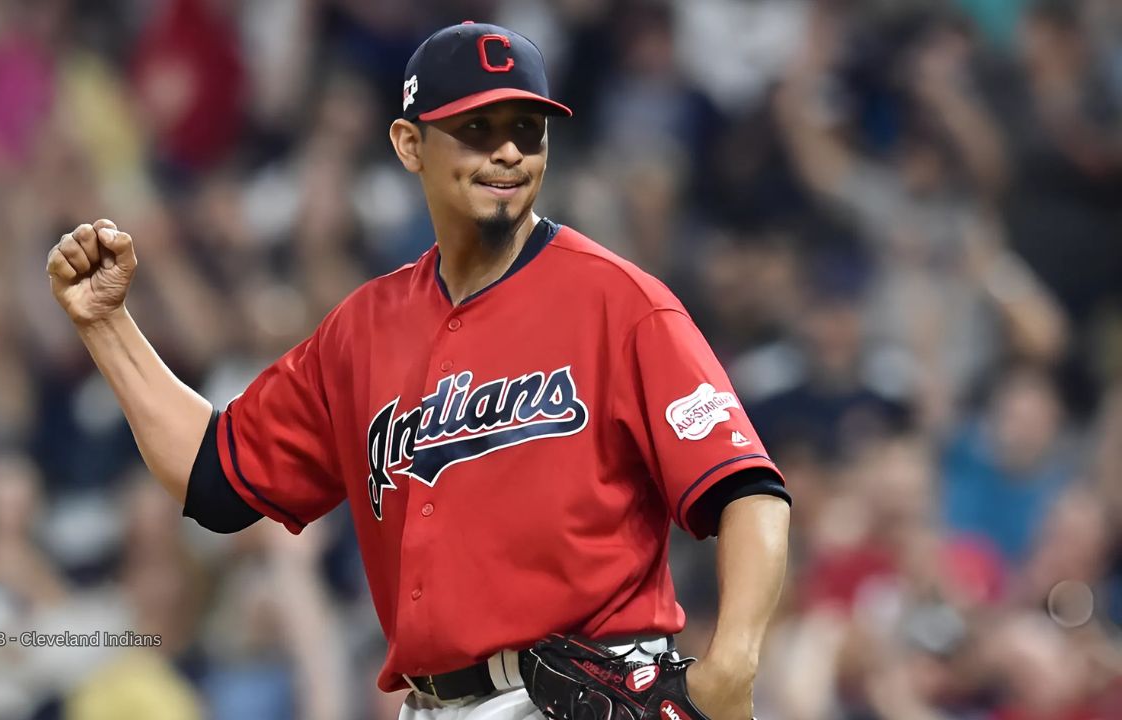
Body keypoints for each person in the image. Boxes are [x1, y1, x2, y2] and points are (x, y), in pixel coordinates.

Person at [45, 21, 791, 720]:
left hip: (587, 691)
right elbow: (214, 476)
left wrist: (733, 664)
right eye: (476, 130)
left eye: (525, 131)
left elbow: (747, 489)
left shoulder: (620, 302)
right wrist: (106, 326)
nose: (507, 153)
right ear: (409, 144)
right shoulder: (364, 329)